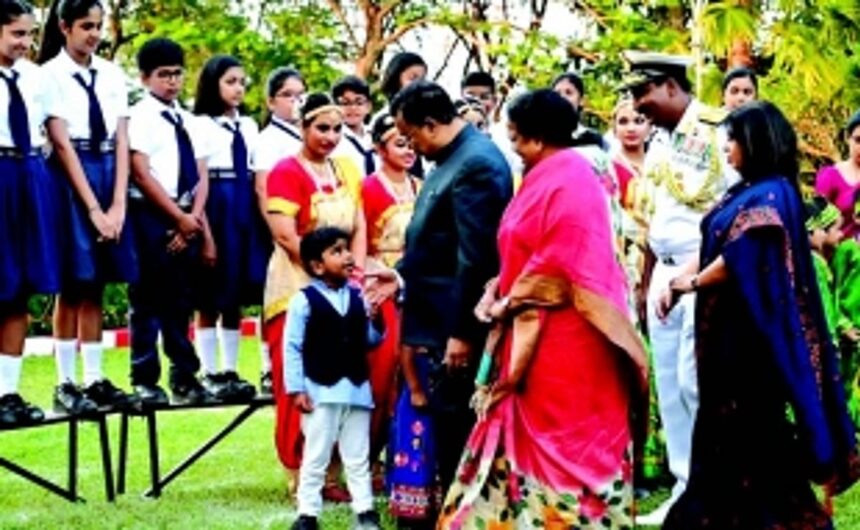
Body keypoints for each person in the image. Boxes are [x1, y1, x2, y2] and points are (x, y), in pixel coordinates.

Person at [437, 89, 648, 529]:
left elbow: (560, 261)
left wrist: (507, 300)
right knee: (524, 433)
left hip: (566, 340)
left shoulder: (570, 176)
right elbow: (526, 251)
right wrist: (499, 289)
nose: (510, 145)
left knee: (568, 440)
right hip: (536, 331)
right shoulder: (548, 172)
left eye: (513, 135)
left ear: (533, 137)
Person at [658, 101, 860, 529]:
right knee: (725, 437)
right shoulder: (744, 192)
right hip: (726, 340)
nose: (727, 147)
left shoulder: (773, 192)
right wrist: (680, 278)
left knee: (749, 439)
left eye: (733, 139)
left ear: (756, 142)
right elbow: (716, 246)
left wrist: (689, 285)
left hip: (750, 344)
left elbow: (740, 255)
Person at [365, 81, 512, 498]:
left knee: (459, 431)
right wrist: (399, 275)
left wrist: (462, 333)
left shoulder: (475, 164)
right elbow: (434, 242)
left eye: (411, 136)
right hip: (434, 322)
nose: (411, 147)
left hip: (456, 329)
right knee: (447, 429)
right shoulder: (449, 160)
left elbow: (476, 258)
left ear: (430, 125)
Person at [622, 50, 738, 526]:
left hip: (702, 273)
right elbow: (656, 218)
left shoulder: (718, 129)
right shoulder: (659, 142)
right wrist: (648, 279)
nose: (639, 106)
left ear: (671, 86)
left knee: (697, 385)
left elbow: (734, 203)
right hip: (662, 275)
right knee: (670, 387)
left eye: (644, 94)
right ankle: (685, 489)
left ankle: (718, 491)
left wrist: (695, 274)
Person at [263, 93, 366, 496]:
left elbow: (358, 227)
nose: (331, 136)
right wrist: (324, 276)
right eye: (322, 127)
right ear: (303, 127)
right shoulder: (286, 170)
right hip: (297, 287)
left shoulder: (348, 169)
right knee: (300, 380)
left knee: (341, 378)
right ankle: (300, 473)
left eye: (337, 128)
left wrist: (351, 274)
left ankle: (334, 473)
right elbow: (286, 235)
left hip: (342, 287)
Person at [39, 0, 136, 413]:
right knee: (72, 282)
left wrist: (117, 204)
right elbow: (60, 142)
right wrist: (94, 208)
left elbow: (123, 139)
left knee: (97, 281)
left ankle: (94, 378)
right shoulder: (48, 76)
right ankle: (65, 382)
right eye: (85, 26)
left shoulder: (112, 74)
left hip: (108, 167)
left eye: (98, 26)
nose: (94, 34)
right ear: (64, 27)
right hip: (70, 172)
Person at [127, 37, 215, 405]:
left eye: (177, 74)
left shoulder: (189, 120)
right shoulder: (139, 117)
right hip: (151, 212)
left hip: (187, 214)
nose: (172, 82)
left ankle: (184, 373)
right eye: (164, 75)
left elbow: (201, 173)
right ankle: (145, 377)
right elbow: (140, 172)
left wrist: (191, 219)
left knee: (180, 299)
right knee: (146, 299)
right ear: (145, 77)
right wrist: (176, 217)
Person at [286, 227, 382, 530]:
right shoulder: (303, 301)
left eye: (347, 249)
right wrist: (296, 388)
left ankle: (365, 512)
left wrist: (376, 321)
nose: (348, 256)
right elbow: (292, 346)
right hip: (320, 391)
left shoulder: (358, 298)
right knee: (316, 455)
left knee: (358, 456)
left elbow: (368, 341)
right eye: (337, 251)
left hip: (356, 389)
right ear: (317, 265)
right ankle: (308, 514)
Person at [360, 113, 426, 522]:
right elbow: (360, 243)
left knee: (413, 375)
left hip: (416, 285)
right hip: (380, 288)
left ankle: (405, 462)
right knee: (381, 377)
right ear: (379, 149)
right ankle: (364, 463)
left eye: (409, 141)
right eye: (397, 143)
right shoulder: (367, 189)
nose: (407, 149)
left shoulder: (422, 185)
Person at [0, 0, 62, 426]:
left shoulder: (36, 78)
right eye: (17, 34)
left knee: (19, 288)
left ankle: (8, 392)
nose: (25, 43)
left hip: (28, 173)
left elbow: (52, 132)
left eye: (30, 35)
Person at [192, 55, 260, 402]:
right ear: (214, 84)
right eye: (231, 81)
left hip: (243, 202)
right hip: (216, 200)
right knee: (209, 294)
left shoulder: (248, 126)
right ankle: (209, 370)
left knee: (235, 296)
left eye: (242, 82)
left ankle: (231, 370)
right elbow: (198, 178)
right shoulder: (199, 124)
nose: (238, 89)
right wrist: (204, 230)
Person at [254, 66, 306, 395]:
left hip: (313, 229)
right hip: (279, 228)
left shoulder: (310, 135)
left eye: (300, 95)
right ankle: (267, 366)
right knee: (274, 299)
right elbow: (263, 189)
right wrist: (279, 232)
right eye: (288, 95)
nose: (295, 102)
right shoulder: (268, 140)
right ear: (271, 101)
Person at [806, 196, 860, 427]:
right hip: (838, 341)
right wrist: (842, 325)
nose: (840, 234)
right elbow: (833, 297)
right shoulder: (844, 252)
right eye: (836, 229)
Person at [816, 110, 860, 240]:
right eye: (858, 140)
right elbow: (817, 223)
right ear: (848, 138)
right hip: (840, 255)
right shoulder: (830, 176)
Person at [332, 75, 376, 177]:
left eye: (359, 102)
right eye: (345, 103)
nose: (352, 108)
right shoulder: (333, 139)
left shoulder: (375, 136)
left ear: (368, 106)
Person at [551, 71, 606, 149]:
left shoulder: (592, 139)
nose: (562, 97)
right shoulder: (542, 138)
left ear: (581, 100)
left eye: (568, 93)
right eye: (557, 93)